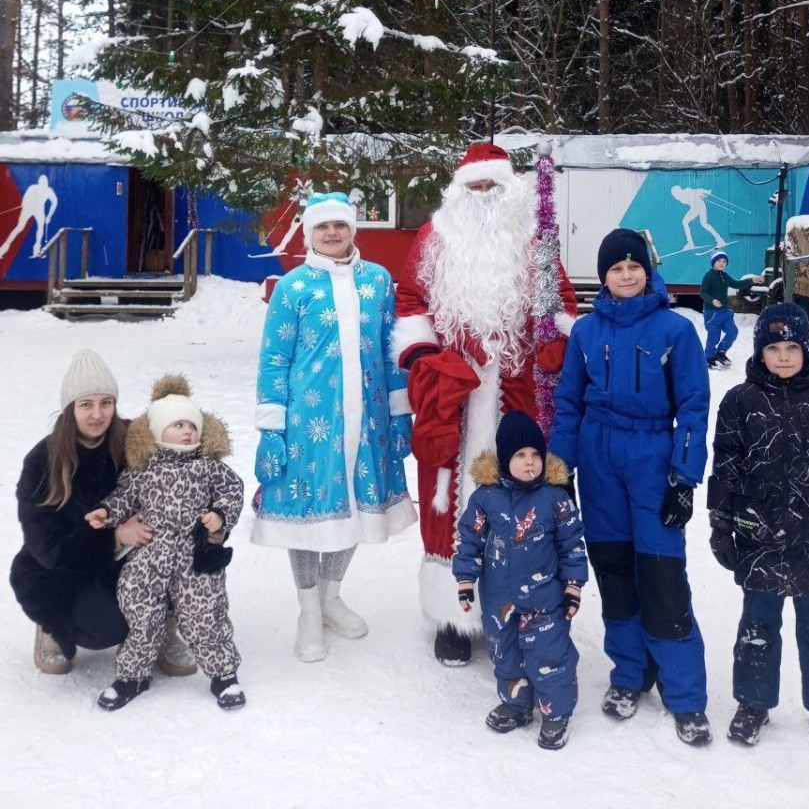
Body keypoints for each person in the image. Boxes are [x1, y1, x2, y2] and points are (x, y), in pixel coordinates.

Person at [392, 142, 577, 666]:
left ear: (510, 188)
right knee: (446, 497)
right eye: (473, 186)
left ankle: (510, 608)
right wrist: (425, 355)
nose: (482, 194)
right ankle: (452, 616)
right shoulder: (434, 237)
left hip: (516, 390)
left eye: (491, 185)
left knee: (519, 494)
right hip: (453, 390)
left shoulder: (536, 239)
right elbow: (410, 299)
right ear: (458, 191)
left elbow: (560, 303)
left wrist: (554, 340)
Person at [550, 228, 713, 746]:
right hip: (598, 458)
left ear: (647, 272)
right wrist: (560, 472)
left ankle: (684, 694)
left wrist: (684, 477)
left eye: (634, 267)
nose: (625, 275)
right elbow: (568, 403)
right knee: (615, 569)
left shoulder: (676, 330)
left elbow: (693, 406)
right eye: (616, 269)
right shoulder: (585, 331)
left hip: (652, 456)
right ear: (604, 277)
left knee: (662, 572)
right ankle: (629, 673)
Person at [253, 191, 416, 662]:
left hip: (368, 419)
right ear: (309, 233)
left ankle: (331, 596)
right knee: (311, 515)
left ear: (352, 229)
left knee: (357, 510)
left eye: (339, 225)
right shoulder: (293, 288)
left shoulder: (377, 281)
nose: (331, 233)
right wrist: (271, 428)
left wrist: (400, 411)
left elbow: (391, 349)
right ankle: (308, 610)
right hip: (310, 424)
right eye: (322, 226)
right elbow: (274, 360)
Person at [707, 302, 809, 755]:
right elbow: (725, 467)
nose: (782, 356)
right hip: (758, 535)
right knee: (757, 627)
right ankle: (753, 703)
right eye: (773, 348)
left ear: (807, 351)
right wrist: (721, 523)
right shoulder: (739, 402)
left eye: (792, 348)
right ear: (760, 352)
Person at [9, 349, 196, 679]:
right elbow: (46, 546)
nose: (97, 414)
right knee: (104, 627)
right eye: (86, 404)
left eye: (105, 403)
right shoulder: (42, 461)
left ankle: (163, 626)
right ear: (71, 408)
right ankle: (52, 625)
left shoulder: (137, 440)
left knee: (188, 546)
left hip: (138, 558)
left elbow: (189, 468)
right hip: (67, 567)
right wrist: (115, 537)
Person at [85, 374, 245, 711]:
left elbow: (232, 490)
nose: (188, 431)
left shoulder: (208, 466)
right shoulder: (144, 469)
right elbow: (124, 496)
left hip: (194, 553)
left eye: (192, 425)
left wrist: (220, 515)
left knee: (204, 613)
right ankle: (132, 675)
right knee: (139, 607)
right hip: (151, 551)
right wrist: (107, 511)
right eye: (178, 425)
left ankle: (224, 674)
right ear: (158, 432)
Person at [453, 411, 587, 750]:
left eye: (535, 455)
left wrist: (573, 586)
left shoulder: (555, 499)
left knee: (549, 655)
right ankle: (516, 704)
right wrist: (465, 578)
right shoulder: (486, 498)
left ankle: (556, 713)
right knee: (505, 653)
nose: (529, 462)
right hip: (499, 599)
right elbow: (469, 539)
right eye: (520, 455)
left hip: (545, 599)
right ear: (503, 460)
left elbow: (571, 544)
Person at [700, 251, 764, 369]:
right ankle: (708, 359)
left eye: (724, 261)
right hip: (712, 313)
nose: (722, 263)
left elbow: (736, 284)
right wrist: (712, 300)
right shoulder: (709, 276)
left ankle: (721, 352)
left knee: (732, 331)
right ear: (713, 262)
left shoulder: (725, 276)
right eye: (719, 260)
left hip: (725, 311)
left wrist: (752, 280)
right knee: (714, 336)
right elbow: (703, 292)